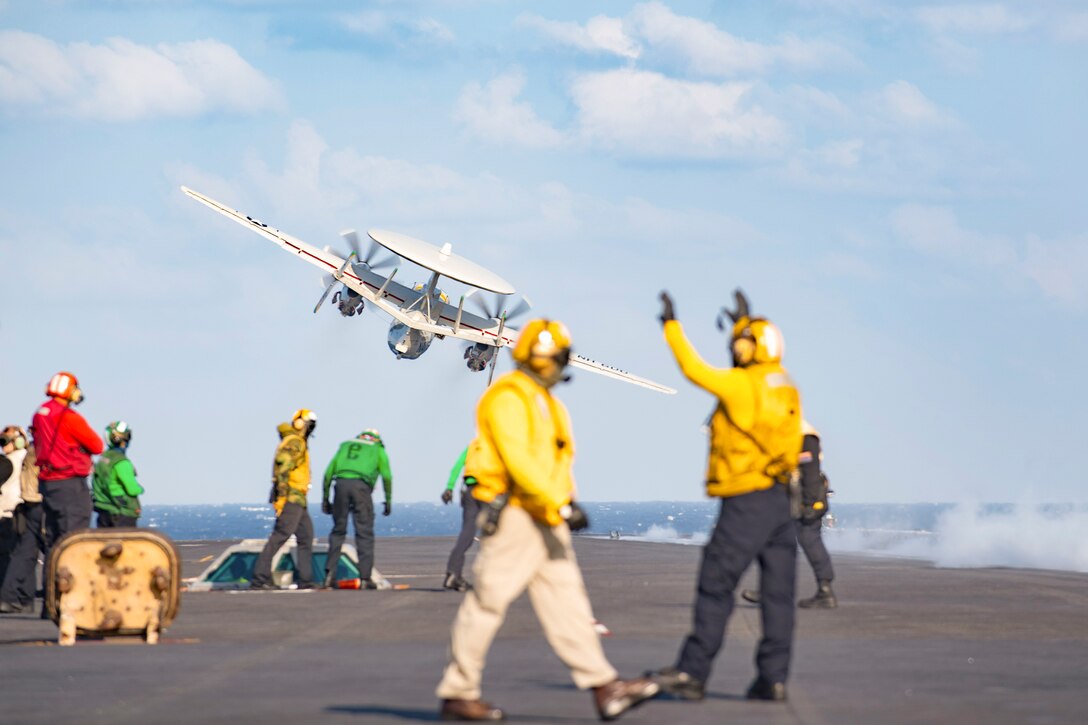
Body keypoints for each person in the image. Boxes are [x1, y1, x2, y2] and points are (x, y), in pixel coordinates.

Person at [436, 318, 658, 722]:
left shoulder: (544, 402)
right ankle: (457, 692)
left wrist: (563, 502)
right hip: (517, 515)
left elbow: (550, 461)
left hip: (545, 515)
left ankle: (604, 687)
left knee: (569, 603)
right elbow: (519, 459)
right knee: (488, 602)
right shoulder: (508, 396)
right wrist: (563, 503)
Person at [651, 290, 803, 703]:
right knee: (778, 594)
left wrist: (671, 326)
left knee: (716, 584)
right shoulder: (784, 384)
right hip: (781, 503)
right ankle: (773, 679)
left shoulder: (740, 385)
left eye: (740, 343)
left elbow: (694, 369)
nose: (735, 349)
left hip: (746, 500)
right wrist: (746, 323)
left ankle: (693, 671)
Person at [742, 420, 837, 609]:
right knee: (775, 542)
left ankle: (825, 590)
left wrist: (811, 503)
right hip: (789, 496)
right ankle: (770, 590)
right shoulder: (787, 431)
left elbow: (809, 469)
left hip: (803, 498)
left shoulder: (803, 435)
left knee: (809, 540)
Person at [31, 372, 104, 559]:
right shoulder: (69, 417)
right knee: (74, 538)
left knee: (53, 539)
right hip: (69, 483)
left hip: (47, 482)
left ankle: (52, 585)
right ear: (70, 391)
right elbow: (97, 445)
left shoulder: (40, 413)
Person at [251, 409, 317, 590]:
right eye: (308, 424)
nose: (310, 428)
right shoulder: (294, 442)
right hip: (291, 497)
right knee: (280, 536)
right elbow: (283, 467)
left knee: (306, 536)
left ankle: (305, 579)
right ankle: (260, 578)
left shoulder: (299, 442)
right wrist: (281, 497)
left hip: (299, 498)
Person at [321, 428, 393, 589]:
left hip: (340, 485)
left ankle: (329, 575)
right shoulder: (377, 448)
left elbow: (327, 473)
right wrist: (388, 501)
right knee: (364, 532)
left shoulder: (346, 445)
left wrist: (325, 499)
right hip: (361, 488)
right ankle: (365, 579)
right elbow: (387, 476)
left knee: (338, 530)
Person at [0, 426, 43, 614]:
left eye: (4, 442)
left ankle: (11, 595)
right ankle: (25, 598)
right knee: (27, 552)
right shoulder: (29, 456)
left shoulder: (11, 461)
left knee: (13, 555)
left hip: (9, 512)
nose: (2, 447)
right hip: (22, 509)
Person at [440, 444, 478, 592]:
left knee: (466, 534)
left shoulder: (473, 446)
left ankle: (453, 573)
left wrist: (449, 487)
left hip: (469, 492)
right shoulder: (498, 444)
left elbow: (456, 467)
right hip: (488, 492)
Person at [92, 421, 144, 528]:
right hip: (122, 513)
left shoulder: (103, 459)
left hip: (103, 511)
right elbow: (132, 489)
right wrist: (140, 489)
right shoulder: (121, 462)